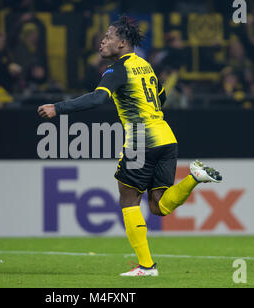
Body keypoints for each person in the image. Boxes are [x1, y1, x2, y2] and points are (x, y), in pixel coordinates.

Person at [38, 16, 222, 277]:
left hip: (141, 140)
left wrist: (58, 107)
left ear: (122, 43)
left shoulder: (117, 69)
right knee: (159, 205)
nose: (103, 41)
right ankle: (194, 178)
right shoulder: (145, 66)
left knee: (128, 198)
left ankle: (147, 266)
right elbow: (162, 96)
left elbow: (98, 97)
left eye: (109, 36)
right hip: (166, 138)